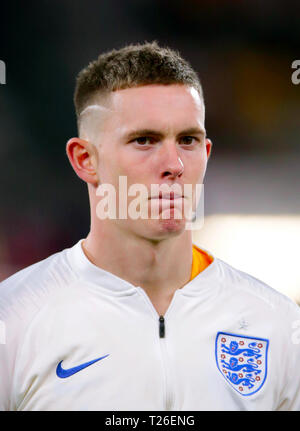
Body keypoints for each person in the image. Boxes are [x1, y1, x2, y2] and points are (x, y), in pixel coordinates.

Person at [0, 41, 299, 411]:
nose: (174, 164)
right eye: (144, 140)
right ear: (85, 159)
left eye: (188, 140)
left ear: (205, 153)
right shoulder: (13, 321)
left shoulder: (278, 325)